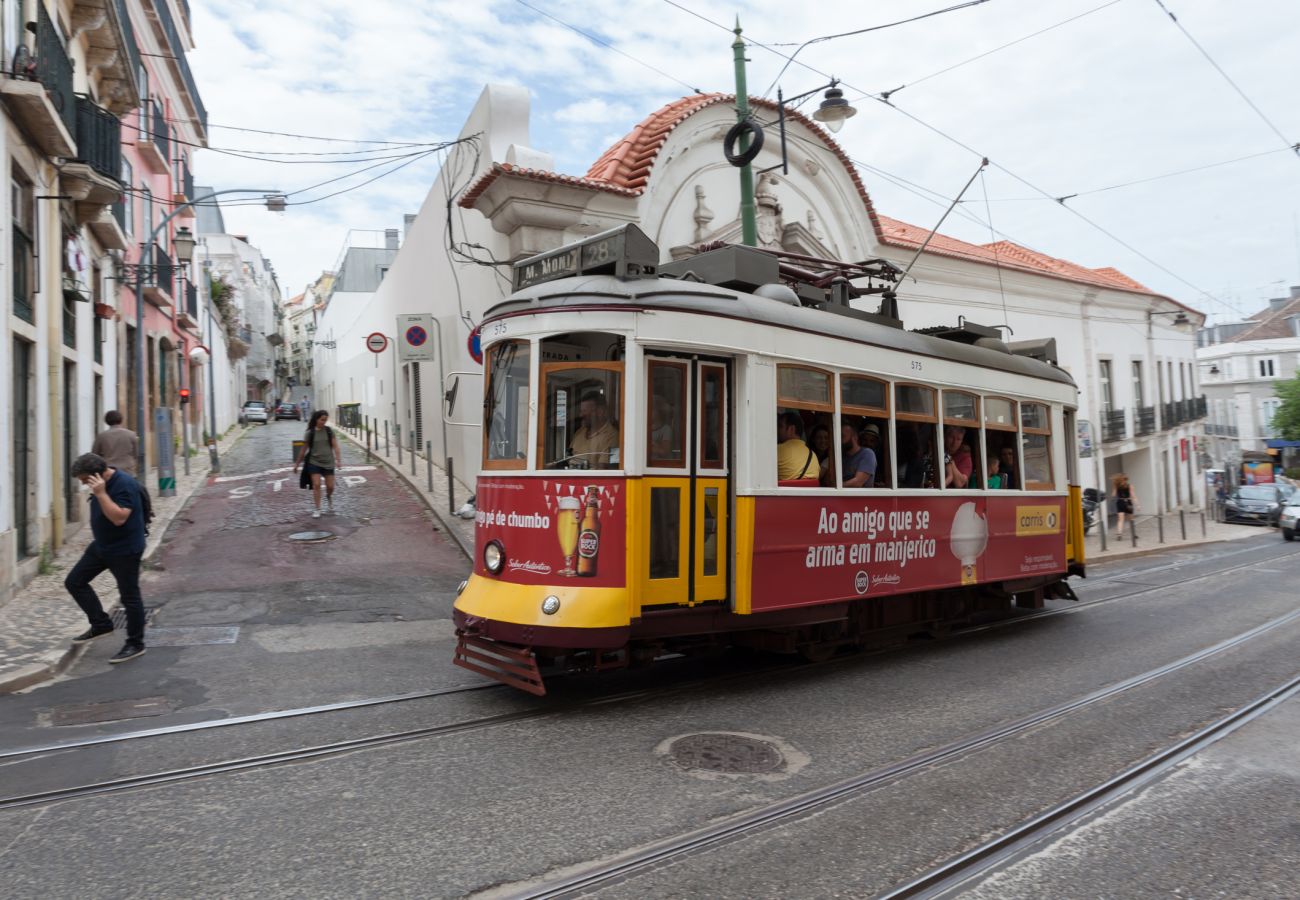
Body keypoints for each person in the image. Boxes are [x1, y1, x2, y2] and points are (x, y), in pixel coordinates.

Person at [64, 452, 148, 664]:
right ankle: (101, 624)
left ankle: (135, 643)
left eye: (85, 480)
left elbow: (119, 518)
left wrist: (100, 493)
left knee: (129, 596)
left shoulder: (124, 485)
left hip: (125, 549)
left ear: (97, 475)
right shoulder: (102, 482)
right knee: (75, 582)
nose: (84, 484)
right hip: (102, 547)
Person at [294, 410, 342, 518]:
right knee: (316, 485)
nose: (324, 422)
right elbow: (303, 450)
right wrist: (297, 464)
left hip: (328, 462)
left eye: (325, 420)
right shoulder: (310, 433)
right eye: (322, 420)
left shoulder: (329, 431)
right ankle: (317, 508)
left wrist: (338, 460)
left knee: (330, 486)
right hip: (314, 462)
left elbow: (336, 447)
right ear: (316, 419)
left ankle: (328, 496)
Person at [570, 393, 618, 468]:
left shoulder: (611, 436)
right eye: (581, 411)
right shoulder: (580, 432)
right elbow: (568, 457)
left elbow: (603, 471)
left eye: (584, 411)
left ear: (600, 412)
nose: (580, 415)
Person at [90, 410, 138, 476]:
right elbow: (135, 454)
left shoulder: (101, 436)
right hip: (127, 471)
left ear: (106, 421)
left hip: (109, 471)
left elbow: (94, 455)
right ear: (121, 420)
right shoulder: (131, 434)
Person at [776, 412, 816, 482]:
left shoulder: (777, 450)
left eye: (780, 426)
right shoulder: (813, 455)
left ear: (791, 429)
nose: (777, 430)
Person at [841, 423, 876, 487]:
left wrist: (836, 486)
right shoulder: (842, 457)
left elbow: (858, 482)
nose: (839, 440)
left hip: (862, 496)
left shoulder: (867, 453)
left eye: (842, 436)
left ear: (855, 437)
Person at [1113, 473, 1137, 538]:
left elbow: (1114, 495)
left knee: (1120, 519)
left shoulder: (1117, 486)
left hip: (1120, 502)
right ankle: (1133, 534)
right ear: (1125, 479)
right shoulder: (1130, 486)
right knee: (1131, 519)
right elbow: (1133, 496)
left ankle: (1119, 534)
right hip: (1128, 502)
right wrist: (1137, 505)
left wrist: (1115, 487)